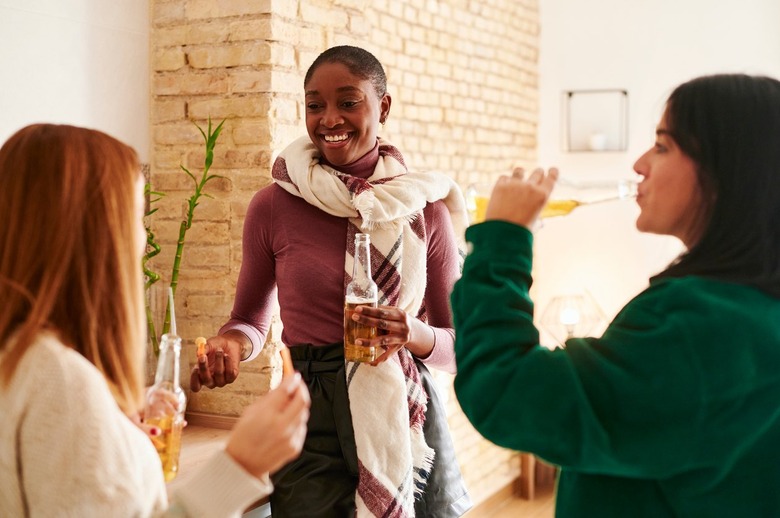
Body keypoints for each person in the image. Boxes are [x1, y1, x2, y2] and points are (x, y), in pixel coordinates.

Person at [451, 73, 780, 516]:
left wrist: (503, 241)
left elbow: (506, 391)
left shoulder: (702, 327)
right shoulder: (753, 307)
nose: (640, 163)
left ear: (727, 170)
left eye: (663, 146)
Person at [191, 45, 472, 517]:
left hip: (404, 412)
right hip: (308, 409)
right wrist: (230, 347)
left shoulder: (425, 210)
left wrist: (412, 332)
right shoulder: (274, 205)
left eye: (348, 102)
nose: (329, 119)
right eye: (315, 105)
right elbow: (248, 321)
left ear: (383, 106)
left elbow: (464, 346)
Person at [0, 123, 310, 517]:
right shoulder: (60, 382)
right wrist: (241, 464)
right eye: (136, 218)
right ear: (97, 234)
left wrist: (111, 420)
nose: (143, 239)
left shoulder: (24, 360)